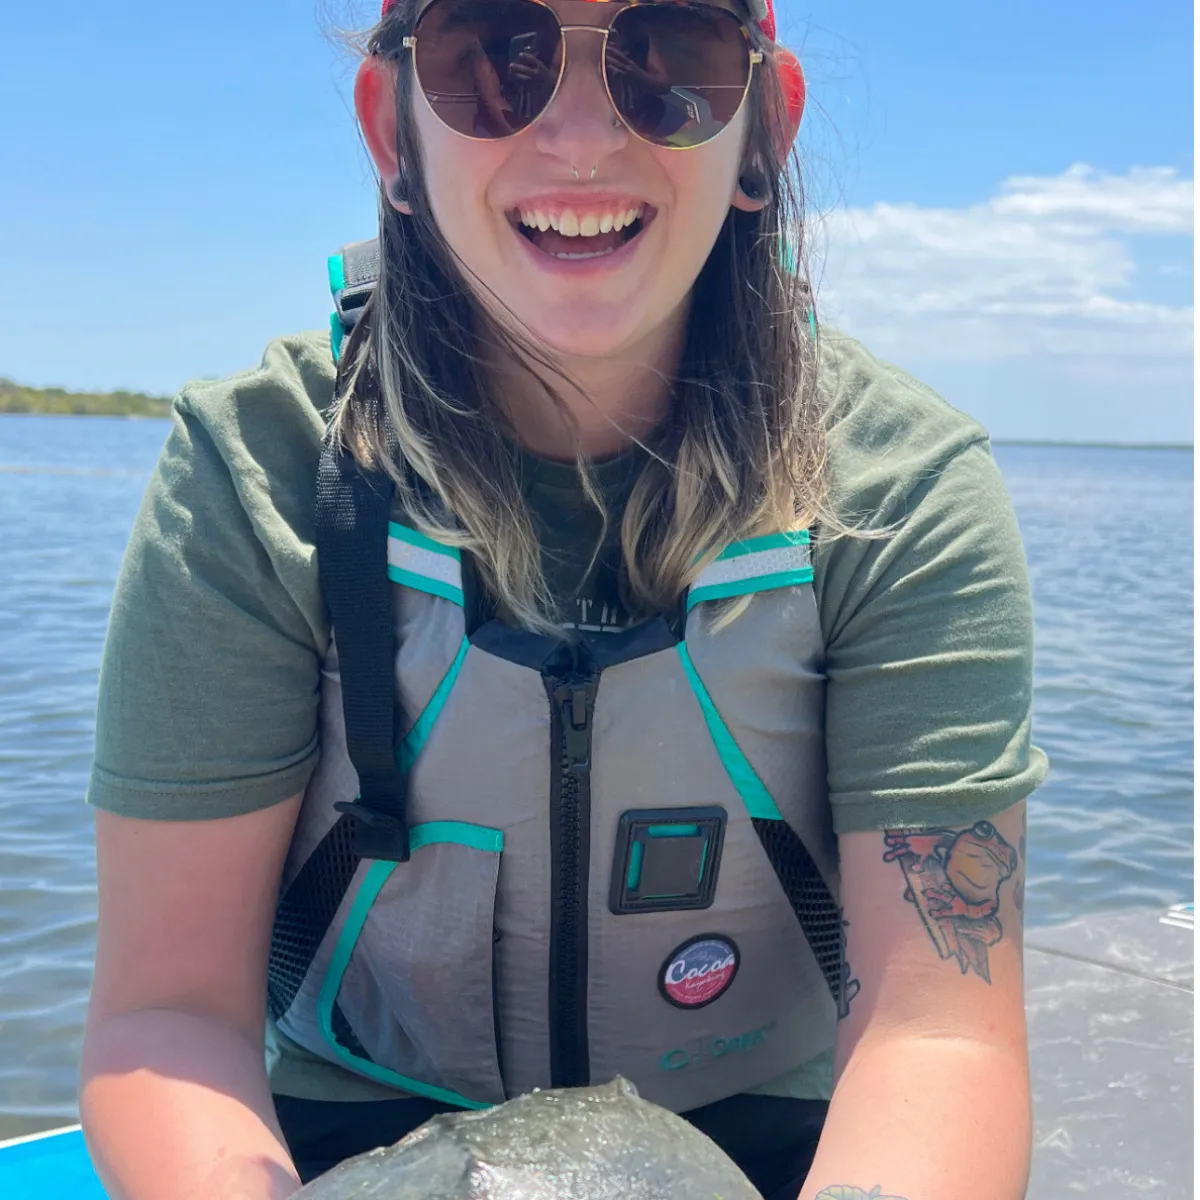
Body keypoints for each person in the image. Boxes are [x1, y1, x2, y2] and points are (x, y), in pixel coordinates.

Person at [78, 0, 1046, 1198]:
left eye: (671, 56)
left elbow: (936, 1033)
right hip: (356, 1134)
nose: (583, 138)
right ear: (391, 130)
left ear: (762, 132)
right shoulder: (258, 472)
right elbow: (170, 1015)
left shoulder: (902, 494)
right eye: (493, 54)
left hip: (776, 1137)